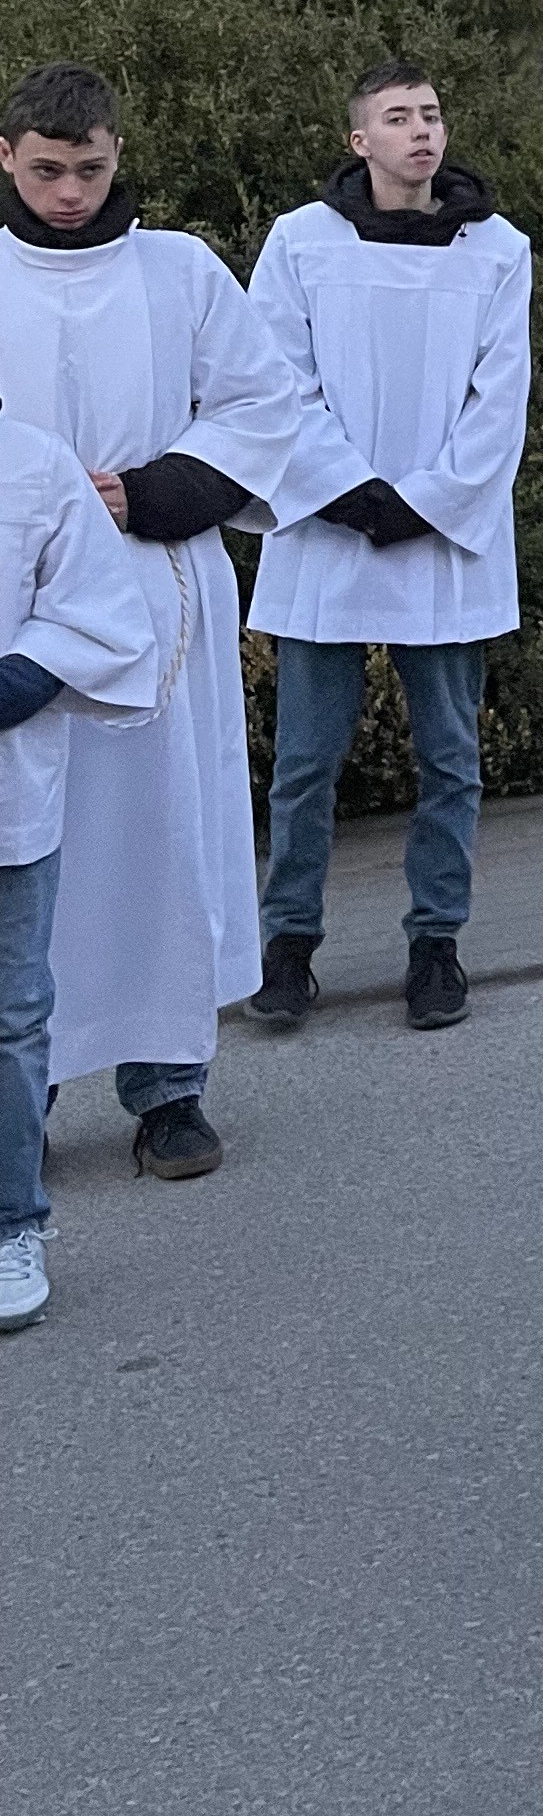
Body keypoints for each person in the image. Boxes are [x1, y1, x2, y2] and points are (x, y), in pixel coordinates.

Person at [0, 63, 310, 1184]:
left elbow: (262, 406)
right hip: (17, 599)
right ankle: (20, 1094)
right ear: (5, 158)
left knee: (161, 836)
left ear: (117, 155)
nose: (69, 193)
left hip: (154, 585)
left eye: (89, 169)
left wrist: (149, 492)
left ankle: (169, 1089)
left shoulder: (177, 270)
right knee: (26, 841)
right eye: (47, 170)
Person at [244, 64, 533, 1035]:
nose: (422, 131)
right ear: (359, 140)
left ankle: (436, 943)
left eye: (432, 114)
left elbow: (501, 395)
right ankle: (288, 945)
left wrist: (426, 503)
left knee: (451, 759)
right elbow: (273, 377)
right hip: (330, 532)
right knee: (304, 764)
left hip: (441, 541)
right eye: (399, 117)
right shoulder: (301, 242)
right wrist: (348, 491)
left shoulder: (498, 249)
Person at [0, 410, 160, 1332]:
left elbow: (97, 615)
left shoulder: (32, 466)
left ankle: (10, 1224)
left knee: (11, 1017)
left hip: (6, 791)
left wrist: (14, 682)